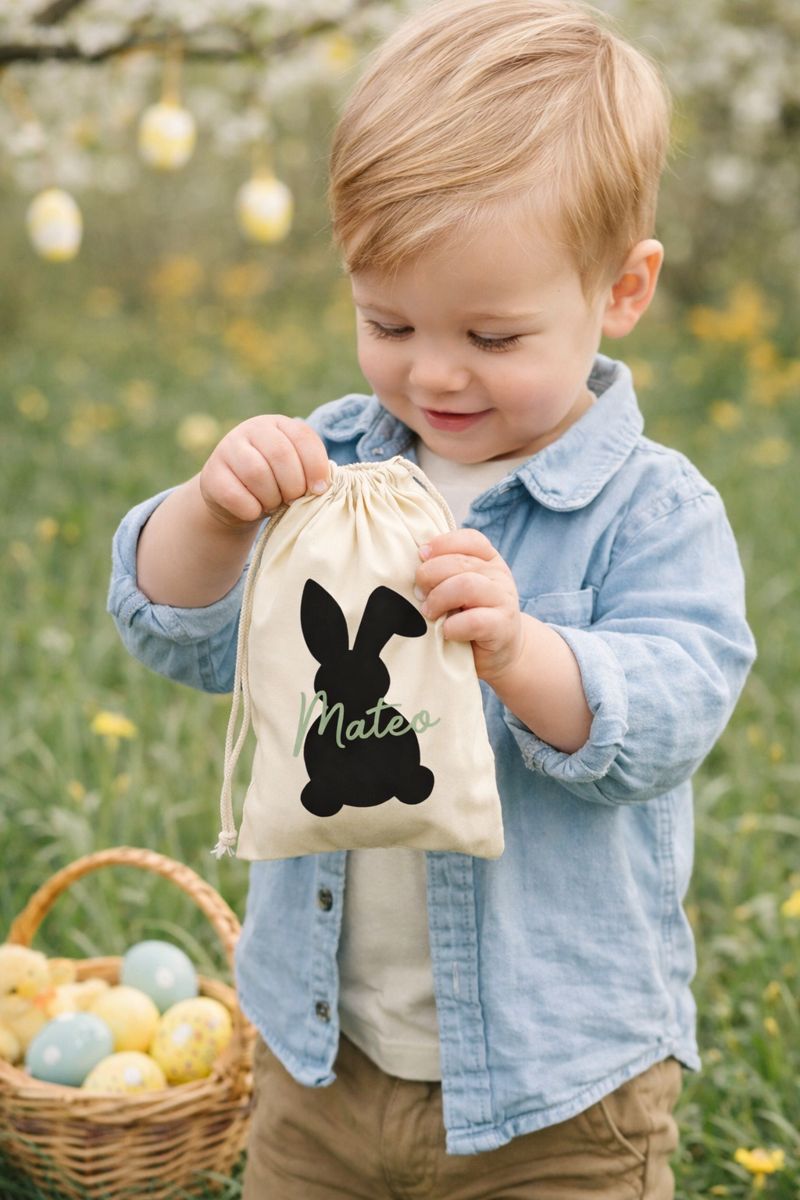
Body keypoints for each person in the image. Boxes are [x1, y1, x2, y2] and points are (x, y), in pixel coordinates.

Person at [107, 0, 756, 1195]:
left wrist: (519, 651)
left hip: (560, 1094)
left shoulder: (649, 511)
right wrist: (212, 515)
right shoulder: (326, 469)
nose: (435, 371)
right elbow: (180, 636)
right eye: (388, 322)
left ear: (621, 290)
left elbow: (668, 713)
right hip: (318, 1064)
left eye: (493, 336)